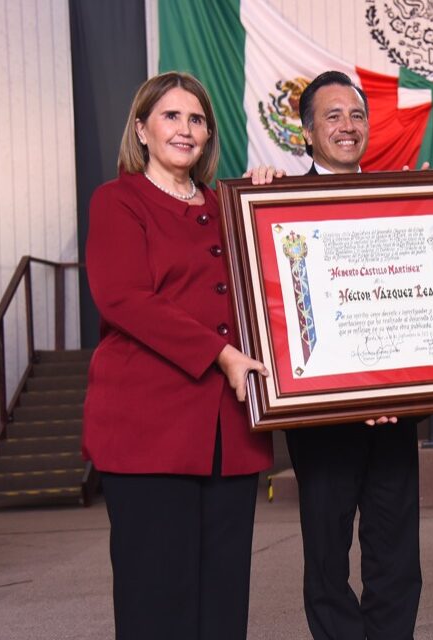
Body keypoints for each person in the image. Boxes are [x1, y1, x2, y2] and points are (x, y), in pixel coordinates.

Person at [248, 70, 433, 640]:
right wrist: (259, 190)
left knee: (397, 554)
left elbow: (428, 296)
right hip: (321, 416)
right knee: (327, 556)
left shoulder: (401, 205)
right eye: (332, 116)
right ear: (306, 134)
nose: (348, 126)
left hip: (394, 414)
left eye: (357, 116)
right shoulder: (275, 201)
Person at [82, 71, 272, 640]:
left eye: (196, 119)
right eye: (170, 116)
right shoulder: (117, 200)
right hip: (148, 428)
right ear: (141, 129)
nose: (185, 130)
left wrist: (274, 199)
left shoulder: (231, 207)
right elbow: (123, 299)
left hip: (227, 432)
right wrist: (221, 354)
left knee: (222, 598)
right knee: (155, 596)